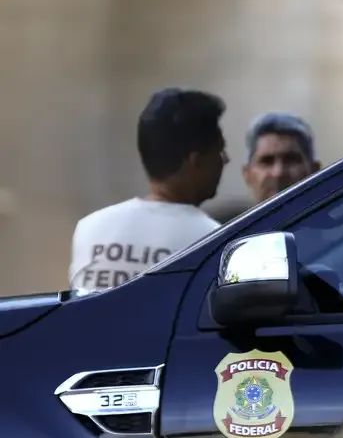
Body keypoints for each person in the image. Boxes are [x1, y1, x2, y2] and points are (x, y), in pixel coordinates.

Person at [68, 88, 228, 292]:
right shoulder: (213, 240)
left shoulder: (89, 229)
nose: (225, 160)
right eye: (220, 151)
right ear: (195, 162)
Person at [241, 111, 320, 204]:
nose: (278, 173)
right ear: (248, 175)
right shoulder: (229, 218)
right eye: (267, 161)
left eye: (290, 160)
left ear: (314, 171)